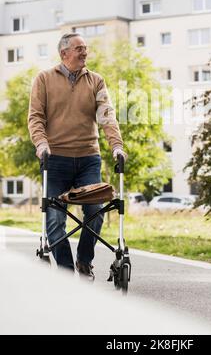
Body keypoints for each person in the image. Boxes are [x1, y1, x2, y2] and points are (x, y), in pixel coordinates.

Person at [28, 32, 126, 280]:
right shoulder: (44, 79)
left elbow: (107, 116)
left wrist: (116, 146)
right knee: (54, 217)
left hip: (88, 158)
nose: (85, 52)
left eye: (86, 48)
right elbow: (36, 118)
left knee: (96, 210)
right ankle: (65, 272)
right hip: (55, 159)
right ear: (64, 53)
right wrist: (41, 144)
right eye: (79, 48)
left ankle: (84, 261)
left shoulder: (96, 81)